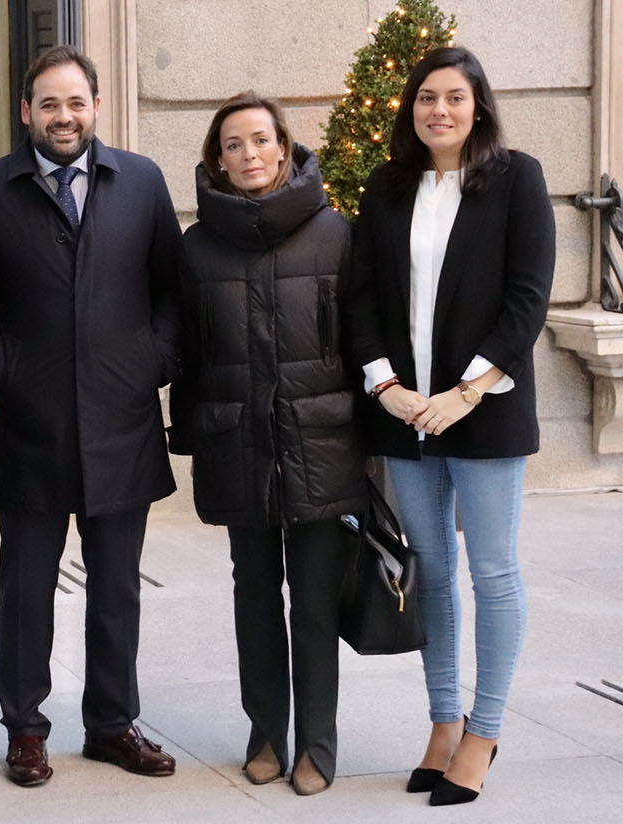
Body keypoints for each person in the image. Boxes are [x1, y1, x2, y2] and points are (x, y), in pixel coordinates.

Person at [0, 44, 183, 786]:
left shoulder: (139, 181)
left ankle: (111, 725)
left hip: (123, 420)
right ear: (25, 112)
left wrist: (154, 362)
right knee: (25, 589)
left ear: (96, 107)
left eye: (75, 102)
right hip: (30, 424)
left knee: (116, 589)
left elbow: (172, 289)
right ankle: (25, 729)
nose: (63, 116)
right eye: (48, 104)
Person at [345, 46, 555, 806]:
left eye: (454, 98)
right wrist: (387, 385)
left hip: (483, 411)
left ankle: (484, 729)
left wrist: (465, 393)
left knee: (492, 571)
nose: (438, 110)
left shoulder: (515, 178)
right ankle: (442, 721)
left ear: (478, 107)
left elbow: (527, 298)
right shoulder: (388, 186)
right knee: (429, 568)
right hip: (406, 414)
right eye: (426, 97)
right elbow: (360, 295)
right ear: (409, 107)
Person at [168, 91, 367, 796]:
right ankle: (263, 731)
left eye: (259, 140)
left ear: (283, 147)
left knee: (312, 600)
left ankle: (316, 741)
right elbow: (187, 354)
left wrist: (369, 445)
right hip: (236, 444)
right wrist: (188, 435)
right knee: (253, 595)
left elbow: (359, 343)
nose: (248, 155)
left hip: (321, 444)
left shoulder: (333, 234)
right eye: (232, 145)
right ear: (216, 161)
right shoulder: (195, 248)